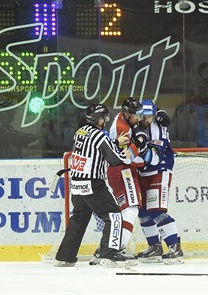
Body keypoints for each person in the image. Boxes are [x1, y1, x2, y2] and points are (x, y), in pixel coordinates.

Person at [54, 103, 135, 267]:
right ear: (98, 119)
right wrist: (126, 152)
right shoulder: (101, 136)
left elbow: (97, 146)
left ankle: (65, 256)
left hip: (76, 184)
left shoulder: (80, 132)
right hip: (93, 184)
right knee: (114, 215)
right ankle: (109, 253)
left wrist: (114, 142)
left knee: (78, 219)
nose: (105, 119)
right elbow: (114, 160)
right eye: (104, 117)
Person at [95, 97, 170, 264]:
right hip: (123, 171)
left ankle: (106, 247)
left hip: (118, 171)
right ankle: (115, 250)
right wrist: (146, 155)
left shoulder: (122, 118)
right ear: (128, 114)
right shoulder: (123, 129)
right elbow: (128, 158)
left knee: (125, 211)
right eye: (137, 115)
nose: (139, 119)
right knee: (131, 210)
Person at [134, 99, 183, 264]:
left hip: (159, 172)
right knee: (142, 212)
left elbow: (153, 159)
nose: (145, 119)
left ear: (154, 115)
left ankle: (174, 246)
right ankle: (154, 246)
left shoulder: (159, 129)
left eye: (149, 116)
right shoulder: (136, 127)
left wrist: (141, 152)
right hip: (142, 174)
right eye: (143, 115)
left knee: (156, 211)